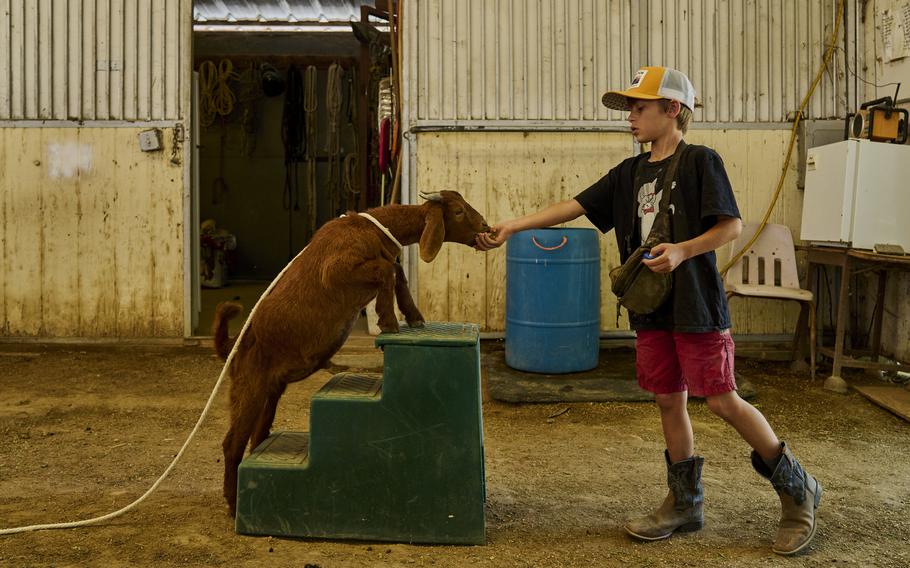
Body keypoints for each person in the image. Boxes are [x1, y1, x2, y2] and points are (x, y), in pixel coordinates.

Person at [475, 66, 822, 556]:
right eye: (630, 109)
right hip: (650, 309)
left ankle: (797, 487)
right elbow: (573, 206)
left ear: (672, 109)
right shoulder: (629, 173)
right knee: (666, 398)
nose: (631, 118)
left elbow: (731, 227)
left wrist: (682, 250)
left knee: (722, 400)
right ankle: (685, 503)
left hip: (695, 305)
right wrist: (513, 224)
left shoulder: (702, 160)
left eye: (640, 108)